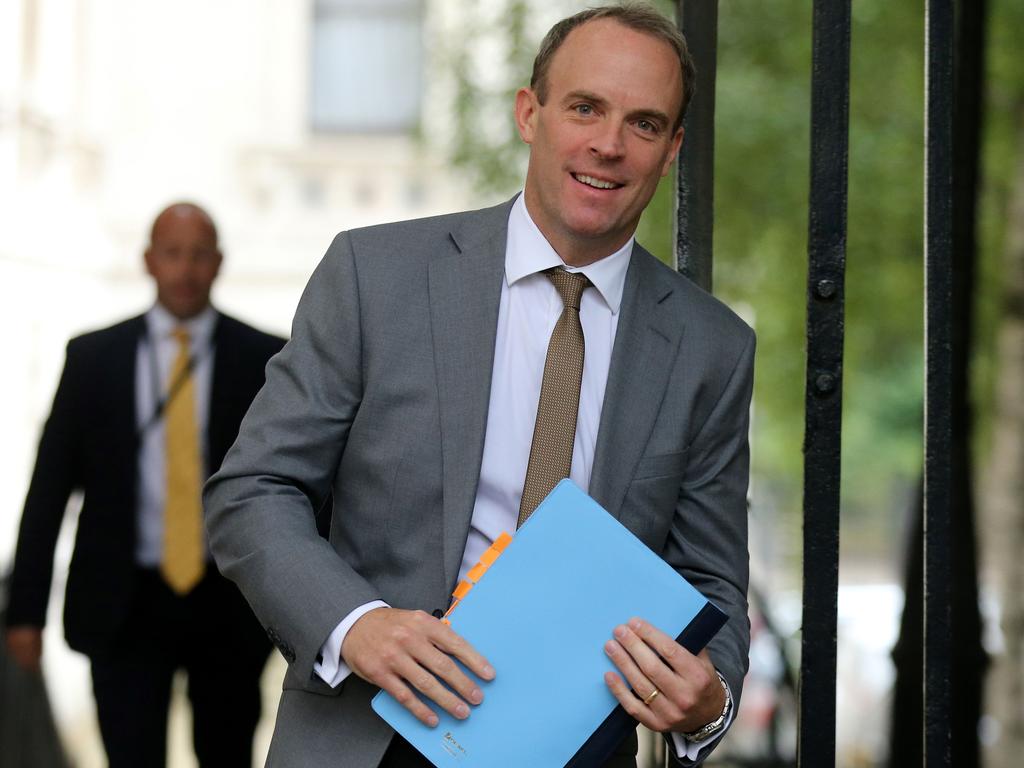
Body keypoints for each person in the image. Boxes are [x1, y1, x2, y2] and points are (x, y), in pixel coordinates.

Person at [206, 4, 754, 767]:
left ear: (672, 151)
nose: (608, 144)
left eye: (645, 123)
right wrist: (355, 624)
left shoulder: (711, 348)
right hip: (368, 734)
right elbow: (253, 489)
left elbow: (710, 581)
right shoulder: (376, 277)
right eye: (586, 107)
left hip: (575, 749)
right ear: (530, 113)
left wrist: (709, 702)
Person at [4, 203, 286, 767]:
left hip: (226, 601)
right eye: (173, 254)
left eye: (199, 255)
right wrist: (25, 613)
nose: (185, 269)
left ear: (219, 263)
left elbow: (298, 487)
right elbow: (50, 487)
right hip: (122, 600)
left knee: (228, 751)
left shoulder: (266, 357)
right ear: (149, 262)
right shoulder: (92, 357)